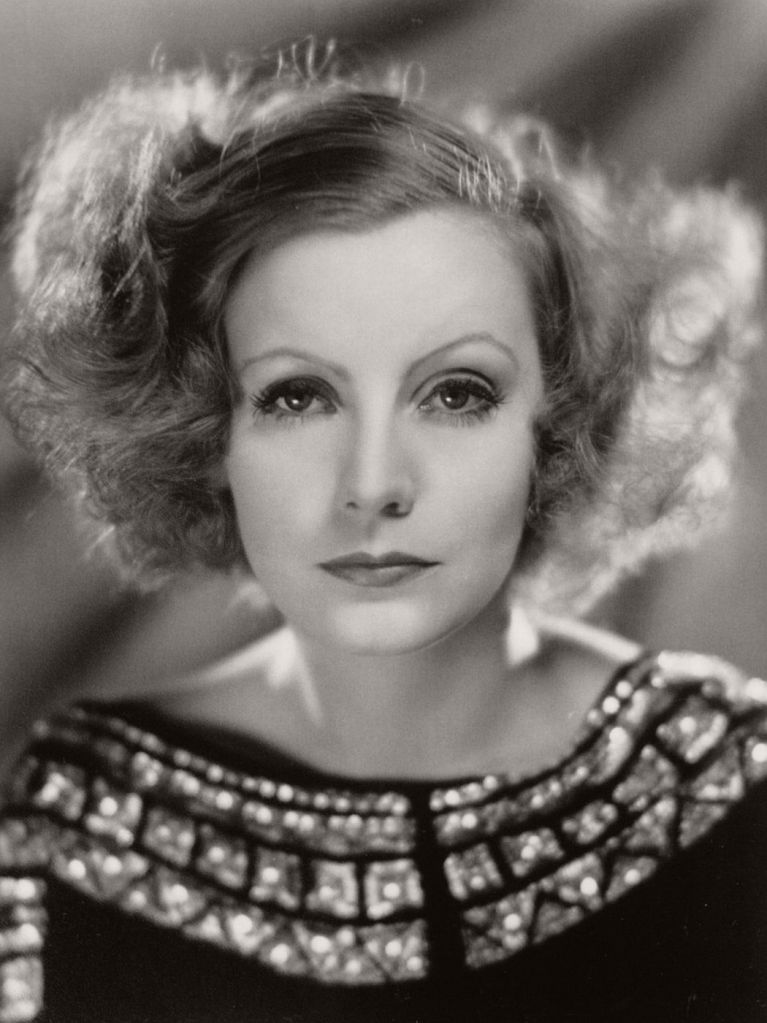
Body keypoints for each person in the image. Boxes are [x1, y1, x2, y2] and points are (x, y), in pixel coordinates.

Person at [0, 44, 765, 1023]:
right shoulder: (84, 819)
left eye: (456, 393)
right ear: (205, 432)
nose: (371, 485)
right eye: (296, 397)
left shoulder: (730, 780)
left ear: (557, 424)